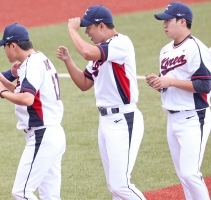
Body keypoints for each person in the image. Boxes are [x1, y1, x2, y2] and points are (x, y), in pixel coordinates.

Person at [56, 5, 146, 200]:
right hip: (106, 122)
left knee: (120, 185)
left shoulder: (120, 43)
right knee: (114, 187)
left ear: (102, 26)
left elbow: (88, 53)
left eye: (89, 27)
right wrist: (68, 61)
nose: (87, 31)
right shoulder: (101, 52)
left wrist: (72, 30)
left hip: (124, 119)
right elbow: (84, 83)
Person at [0, 23, 66, 200]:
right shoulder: (40, 59)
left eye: (5, 47)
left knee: (21, 192)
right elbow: (30, 95)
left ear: (13, 46)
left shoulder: (31, 64)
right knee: (50, 196)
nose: (5, 51)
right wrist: (7, 83)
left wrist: (2, 92)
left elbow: (27, 99)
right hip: (53, 133)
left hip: (43, 134)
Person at [146, 2, 211, 199]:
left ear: (182, 21)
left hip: (194, 117)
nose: (164, 25)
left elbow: (205, 85)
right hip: (172, 118)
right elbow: (169, 84)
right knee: (183, 175)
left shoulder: (195, 48)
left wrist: (170, 81)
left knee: (191, 173)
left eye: (168, 21)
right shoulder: (165, 50)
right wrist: (158, 83)